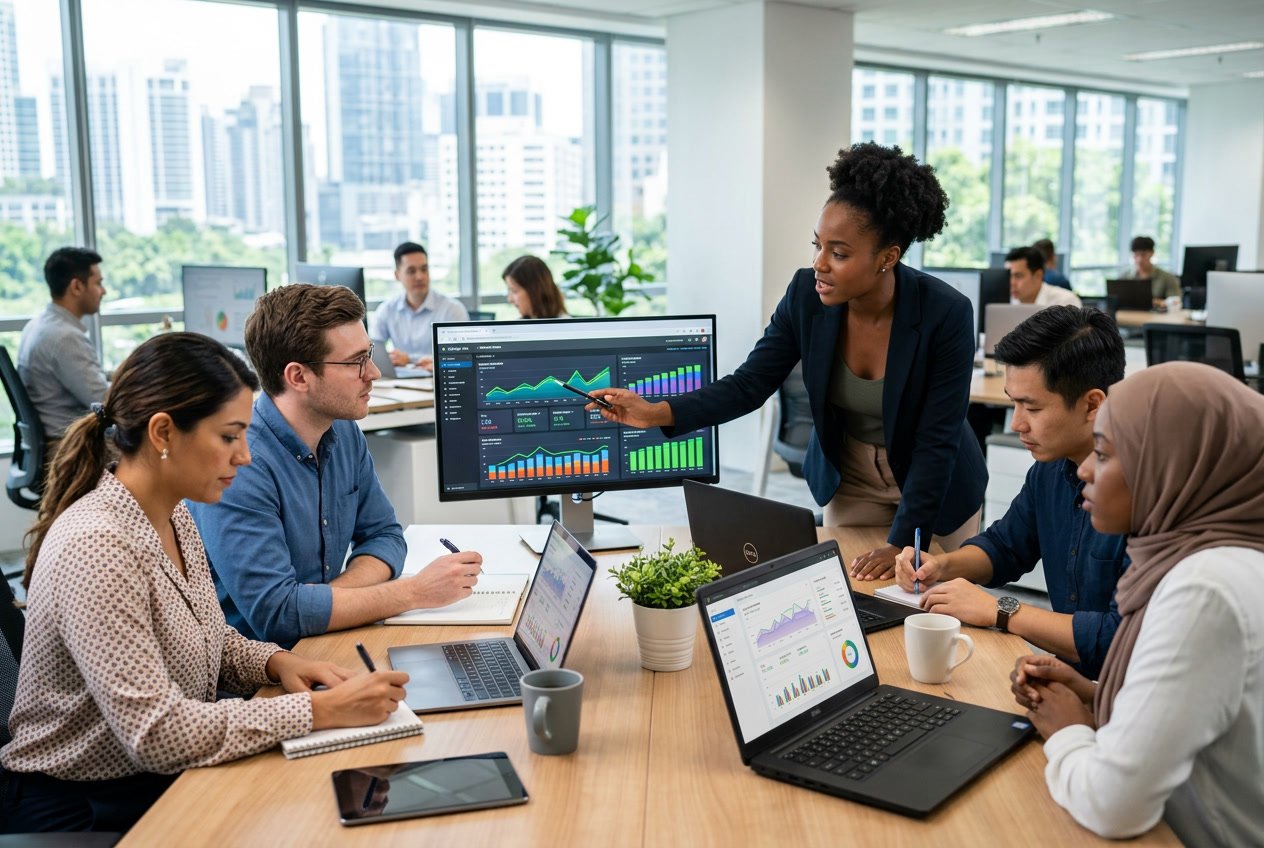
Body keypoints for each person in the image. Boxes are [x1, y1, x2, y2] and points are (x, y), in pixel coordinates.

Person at [0, 333, 407, 833]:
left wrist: (278, 662)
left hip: (155, 778)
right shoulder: (99, 545)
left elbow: (207, 639)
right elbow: (157, 734)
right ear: (164, 433)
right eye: (229, 436)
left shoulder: (172, 515)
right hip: (86, 810)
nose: (246, 457)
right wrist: (316, 711)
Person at [589, 142, 987, 579]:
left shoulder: (944, 313)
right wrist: (656, 412)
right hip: (851, 477)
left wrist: (901, 540)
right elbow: (749, 384)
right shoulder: (806, 297)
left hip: (938, 485)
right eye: (817, 246)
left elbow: (936, 440)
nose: (819, 264)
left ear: (887, 258)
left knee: (939, 605)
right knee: (855, 596)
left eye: (838, 253)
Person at [1009, 362, 1264, 844]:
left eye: (1103, 455)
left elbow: (1113, 806)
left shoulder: (1206, 589)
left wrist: (1066, 731)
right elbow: (1205, 708)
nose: (1084, 468)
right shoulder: (1225, 555)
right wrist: (1097, 692)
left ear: (1175, 467)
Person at [190, 284, 482, 648]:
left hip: (327, 639)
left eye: (369, 354)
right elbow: (278, 615)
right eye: (356, 361)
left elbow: (386, 536)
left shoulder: (342, 431)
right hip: (262, 675)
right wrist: (413, 592)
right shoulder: (240, 463)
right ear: (298, 377)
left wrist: (328, 600)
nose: (373, 372)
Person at [893, 306, 1127, 677]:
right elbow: (1006, 546)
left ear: (1092, 404)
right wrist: (942, 566)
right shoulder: (1050, 469)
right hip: (1067, 679)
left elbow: (1121, 637)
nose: (1016, 423)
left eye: (1030, 407)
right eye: (1013, 402)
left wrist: (1001, 610)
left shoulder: (1145, 493)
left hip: (1127, 693)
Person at [16, 247, 110, 442]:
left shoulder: (38, 325)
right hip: (70, 449)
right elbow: (106, 403)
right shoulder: (65, 338)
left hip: (55, 441)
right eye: (98, 283)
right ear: (76, 286)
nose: (103, 291)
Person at [368, 241, 469, 371]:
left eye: (424, 269)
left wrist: (410, 359)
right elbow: (374, 352)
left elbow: (462, 357)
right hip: (400, 382)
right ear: (397, 275)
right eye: (411, 271)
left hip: (437, 381)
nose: (420, 276)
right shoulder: (387, 309)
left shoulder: (453, 309)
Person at [1007, 246, 1081, 307]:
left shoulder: (1065, 302)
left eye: (1018, 276)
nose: (1011, 283)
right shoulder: (1004, 302)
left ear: (1038, 275)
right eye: (1008, 276)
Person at [503, 255, 568, 319]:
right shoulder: (521, 325)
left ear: (535, 290)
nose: (510, 299)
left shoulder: (566, 327)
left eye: (514, 291)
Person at [1119, 235, 1181, 302]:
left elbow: (1175, 301)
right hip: (1128, 312)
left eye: (1143, 255)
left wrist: (1157, 302)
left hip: (1156, 312)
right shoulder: (1125, 277)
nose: (1139, 259)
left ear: (1152, 253)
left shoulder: (1167, 278)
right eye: (1136, 255)